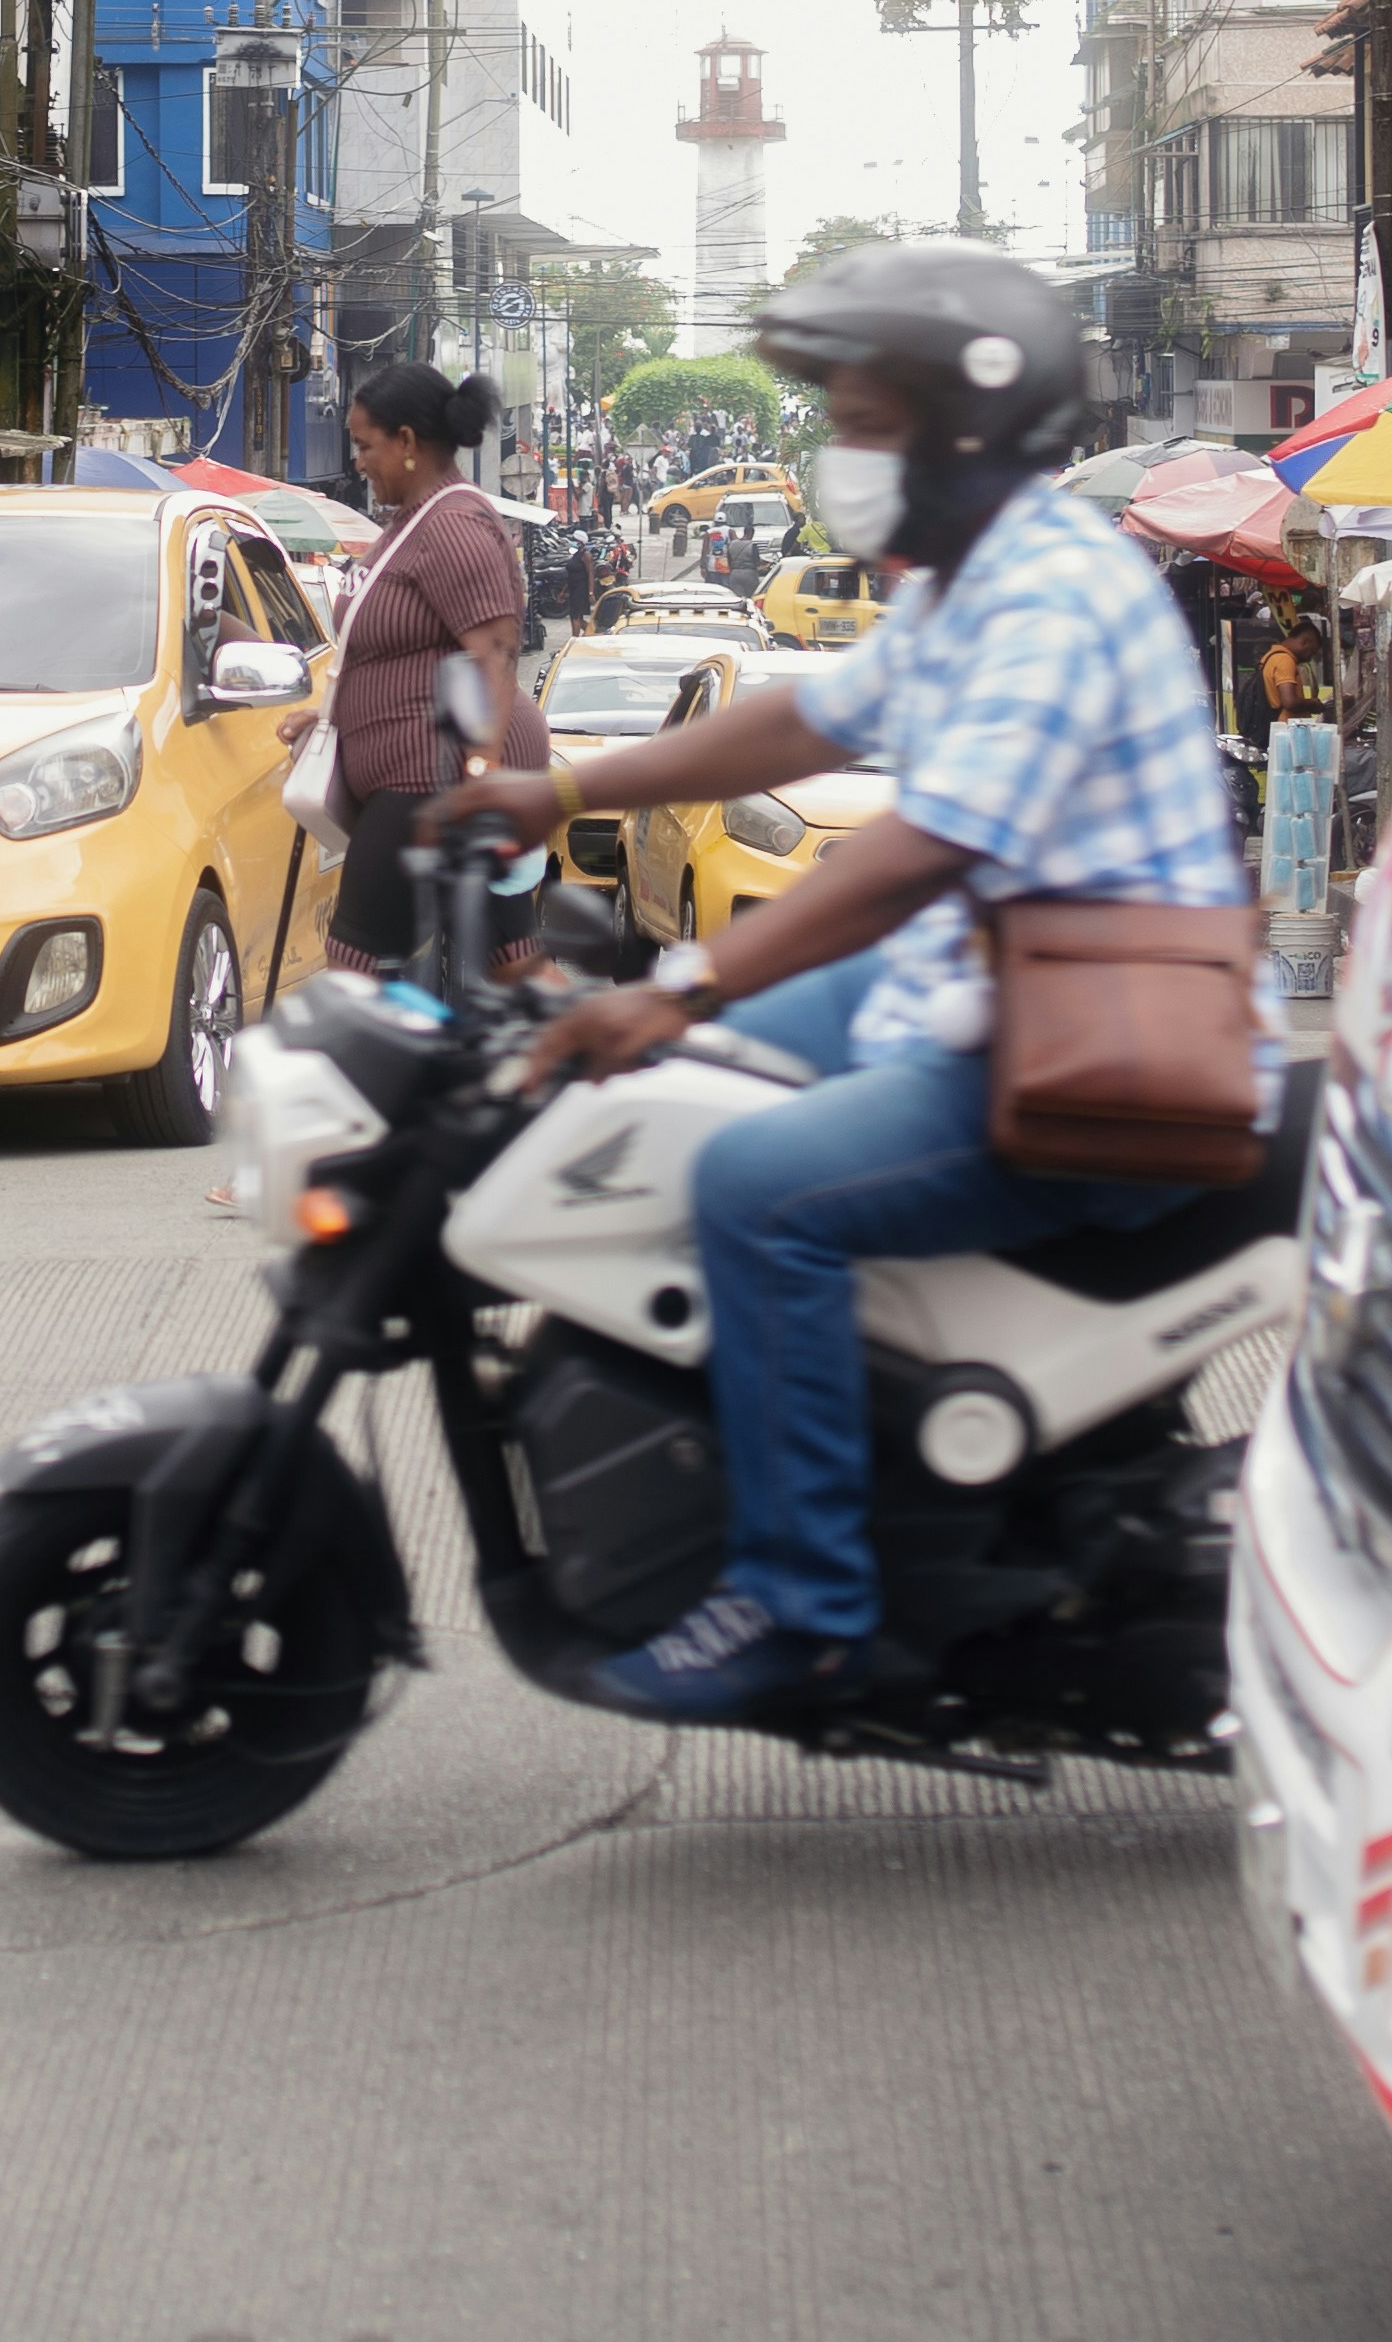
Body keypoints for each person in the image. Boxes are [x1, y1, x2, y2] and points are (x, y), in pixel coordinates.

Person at [427, 245, 1248, 1722]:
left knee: (754, 1191)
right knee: (662, 1095)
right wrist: (565, 795)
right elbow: (804, 723)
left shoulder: (1053, 592)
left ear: (966, 430)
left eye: (870, 425)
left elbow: (928, 848)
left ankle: (811, 1607)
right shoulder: (970, 583)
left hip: (1076, 1041)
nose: (845, 456)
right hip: (969, 992)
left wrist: (681, 989)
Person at [303, 364, 545, 968]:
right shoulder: (413, 522)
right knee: (510, 958)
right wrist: (329, 718)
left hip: (431, 778)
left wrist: (484, 771)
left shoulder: (454, 525)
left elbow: (495, 654)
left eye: (365, 445)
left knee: (353, 964)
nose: (358, 461)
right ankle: (586, 1054)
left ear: (407, 442)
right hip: (421, 772)